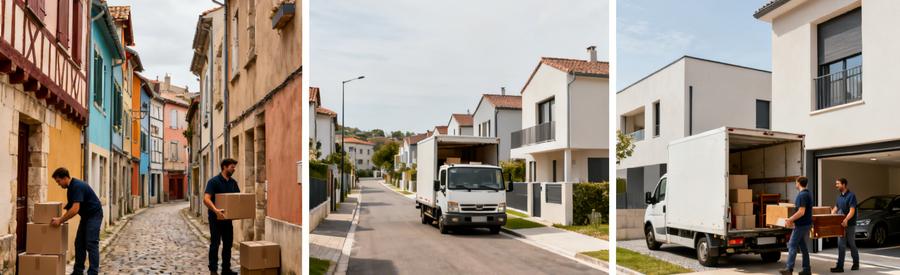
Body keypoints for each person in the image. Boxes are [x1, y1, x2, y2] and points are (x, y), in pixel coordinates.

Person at [50, 167, 103, 275]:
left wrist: (60, 220)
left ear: (65, 178)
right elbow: (70, 207)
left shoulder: (76, 186)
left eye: (58, 181)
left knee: (91, 243)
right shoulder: (71, 188)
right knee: (79, 243)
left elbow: (74, 210)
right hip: (86, 217)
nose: (58, 184)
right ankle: (78, 271)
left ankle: (93, 272)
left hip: (94, 215)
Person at [203, 158, 240, 275]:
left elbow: (237, 200)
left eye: (234, 167)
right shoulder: (213, 182)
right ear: (224, 167)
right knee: (215, 244)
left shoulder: (233, 183)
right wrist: (215, 210)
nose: (234, 169)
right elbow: (206, 199)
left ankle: (226, 269)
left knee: (228, 244)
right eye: (232, 167)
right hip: (215, 219)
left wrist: (237, 212)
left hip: (227, 220)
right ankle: (213, 270)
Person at [781, 176, 813, 275]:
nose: (795, 184)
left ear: (798, 183)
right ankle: (806, 270)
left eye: (796, 182)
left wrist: (790, 219)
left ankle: (789, 269)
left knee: (792, 245)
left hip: (801, 225)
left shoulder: (802, 195)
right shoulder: (808, 194)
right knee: (803, 247)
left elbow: (801, 212)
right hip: (806, 224)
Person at [831, 178, 859, 272]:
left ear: (844, 184)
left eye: (838, 184)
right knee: (841, 245)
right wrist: (830, 215)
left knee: (851, 244)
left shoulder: (851, 196)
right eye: (836, 184)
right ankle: (840, 266)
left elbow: (852, 210)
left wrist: (846, 219)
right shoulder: (839, 197)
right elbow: (836, 208)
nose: (836, 185)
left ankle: (856, 263)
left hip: (850, 224)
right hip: (841, 225)